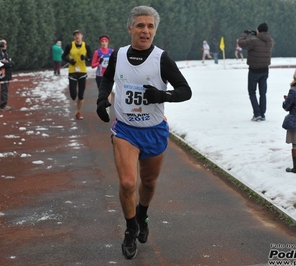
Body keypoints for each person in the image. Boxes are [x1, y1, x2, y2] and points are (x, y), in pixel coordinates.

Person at [96, 5, 192, 259]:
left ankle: (142, 215)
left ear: (155, 30)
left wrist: (162, 95)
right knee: (128, 182)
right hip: (126, 130)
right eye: (140, 25)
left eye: (150, 26)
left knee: (148, 182)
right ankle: (130, 229)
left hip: (154, 131)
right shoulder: (119, 55)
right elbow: (107, 78)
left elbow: (185, 90)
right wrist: (101, 99)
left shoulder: (162, 58)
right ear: (130, 29)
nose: (145, 30)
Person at [238, 23, 274, 122]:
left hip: (254, 70)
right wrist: (256, 35)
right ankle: (262, 114)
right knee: (263, 93)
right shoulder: (270, 41)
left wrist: (245, 34)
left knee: (252, 92)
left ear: (258, 30)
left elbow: (241, 43)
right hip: (265, 70)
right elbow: (260, 41)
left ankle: (257, 114)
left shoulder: (253, 41)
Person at [62, 30, 92, 120]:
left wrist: (85, 58)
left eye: (79, 35)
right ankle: (74, 97)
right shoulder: (70, 46)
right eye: (75, 35)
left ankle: (78, 112)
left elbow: (90, 58)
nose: (77, 37)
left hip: (82, 71)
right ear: (74, 37)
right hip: (72, 72)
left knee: (81, 95)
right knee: (73, 95)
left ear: (82, 36)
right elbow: (63, 56)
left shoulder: (86, 46)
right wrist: (70, 61)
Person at [0, 39, 14, 112]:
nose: (4, 45)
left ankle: (4, 104)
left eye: (5, 44)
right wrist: (9, 64)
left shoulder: (5, 53)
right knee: (4, 89)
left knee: (5, 89)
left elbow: (10, 62)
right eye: (2, 43)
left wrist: (9, 63)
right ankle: (2, 105)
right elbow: (1, 63)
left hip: (7, 73)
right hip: (3, 74)